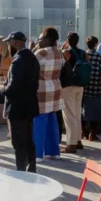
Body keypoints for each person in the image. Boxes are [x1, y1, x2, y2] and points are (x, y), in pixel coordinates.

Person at [3, 31, 40, 173]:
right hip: (30, 106)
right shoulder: (32, 58)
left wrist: (2, 88)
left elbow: (13, 87)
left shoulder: (17, 61)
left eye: (9, 43)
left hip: (17, 108)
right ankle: (32, 169)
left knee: (18, 142)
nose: (8, 46)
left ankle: (21, 172)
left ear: (14, 43)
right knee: (28, 139)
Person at [33, 27, 66, 160]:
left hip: (41, 90)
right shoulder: (59, 52)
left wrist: (33, 49)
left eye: (40, 39)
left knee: (38, 122)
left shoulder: (41, 53)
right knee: (52, 120)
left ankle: (37, 154)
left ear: (47, 39)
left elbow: (30, 65)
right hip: (55, 88)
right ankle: (53, 151)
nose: (38, 41)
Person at [61, 32, 87, 153]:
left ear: (67, 40)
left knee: (69, 115)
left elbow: (62, 65)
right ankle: (78, 141)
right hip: (80, 85)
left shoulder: (66, 52)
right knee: (77, 113)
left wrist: (63, 50)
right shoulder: (84, 52)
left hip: (68, 86)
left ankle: (71, 144)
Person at [83, 35, 101, 141]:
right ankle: (92, 134)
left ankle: (84, 132)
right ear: (95, 45)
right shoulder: (100, 57)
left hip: (85, 88)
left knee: (84, 111)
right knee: (96, 112)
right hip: (97, 88)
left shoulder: (83, 55)